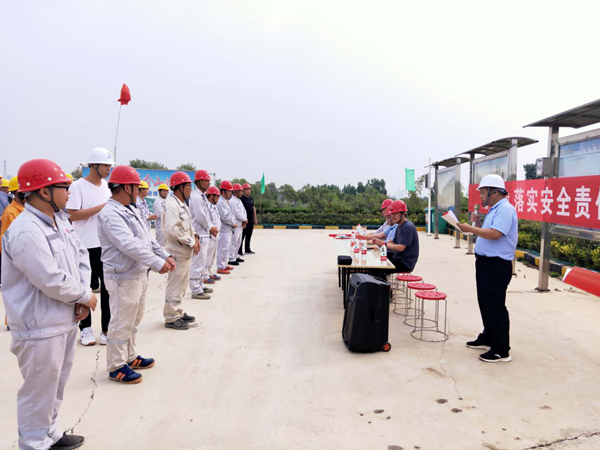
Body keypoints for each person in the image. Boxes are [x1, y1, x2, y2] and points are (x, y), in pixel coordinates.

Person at [2, 159, 97, 450]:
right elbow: (49, 278)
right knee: (38, 391)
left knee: (55, 386)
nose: (69, 191)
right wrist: (84, 297)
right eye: (64, 186)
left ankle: (50, 434)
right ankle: (33, 443)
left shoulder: (61, 222)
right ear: (44, 192)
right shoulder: (26, 230)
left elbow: (81, 257)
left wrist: (82, 295)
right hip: (39, 326)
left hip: (63, 318)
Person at [98, 166, 174, 383]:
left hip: (138, 273)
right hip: (122, 276)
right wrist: (157, 263)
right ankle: (116, 366)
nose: (140, 190)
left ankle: (130, 357)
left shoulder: (130, 209)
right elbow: (128, 244)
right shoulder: (110, 213)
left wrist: (165, 255)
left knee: (134, 319)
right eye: (136, 186)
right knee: (121, 321)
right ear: (126, 188)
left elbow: (147, 240)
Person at [457, 174, 517, 363]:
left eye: (483, 193)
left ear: (494, 192)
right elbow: (488, 231)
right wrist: (478, 224)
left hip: (496, 265)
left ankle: (501, 349)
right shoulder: (495, 209)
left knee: (495, 305)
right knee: (485, 301)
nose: (481, 196)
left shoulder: (505, 209)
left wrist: (470, 228)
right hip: (485, 263)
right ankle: (489, 336)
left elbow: (495, 234)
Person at [66, 147, 113, 347]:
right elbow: (71, 214)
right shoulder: (78, 187)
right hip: (84, 245)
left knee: (108, 289)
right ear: (93, 165)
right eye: (105, 165)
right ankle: (85, 328)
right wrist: (100, 208)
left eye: (110, 166)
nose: (108, 169)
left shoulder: (107, 187)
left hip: (105, 245)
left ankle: (106, 329)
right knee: (84, 288)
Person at [162, 171, 200, 330]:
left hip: (184, 252)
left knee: (181, 285)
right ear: (180, 188)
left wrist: (195, 237)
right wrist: (192, 242)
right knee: (175, 285)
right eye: (188, 186)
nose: (190, 189)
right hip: (177, 252)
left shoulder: (181, 204)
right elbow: (173, 230)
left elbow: (188, 226)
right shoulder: (172, 205)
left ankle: (177, 311)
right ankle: (171, 317)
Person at [1, 176, 26, 330]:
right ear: (17, 193)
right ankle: (11, 320)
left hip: (24, 255)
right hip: (15, 257)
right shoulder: (11, 213)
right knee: (15, 291)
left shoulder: (23, 210)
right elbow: (5, 239)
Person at [188, 170, 217, 300]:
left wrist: (210, 228)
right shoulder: (195, 197)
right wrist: (210, 227)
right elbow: (200, 216)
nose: (209, 183)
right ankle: (195, 289)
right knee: (198, 263)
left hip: (204, 233)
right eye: (206, 180)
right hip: (199, 234)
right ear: (199, 181)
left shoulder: (202, 197)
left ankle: (199, 285)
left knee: (202, 262)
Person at [373, 200, 419, 273]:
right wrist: (379, 243)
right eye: (392, 214)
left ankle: (382, 280)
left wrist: (383, 244)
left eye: (395, 214)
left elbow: (400, 248)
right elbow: (392, 242)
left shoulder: (408, 227)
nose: (393, 217)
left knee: (378, 268)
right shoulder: (398, 226)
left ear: (403, 213)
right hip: (397, 258)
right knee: (376, 262)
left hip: (405, 263)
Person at [216, 180, 237, 275]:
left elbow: (231, 214)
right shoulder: (220, 203)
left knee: (227, 248)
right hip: (224, 230)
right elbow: (225, 217)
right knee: (223, 249)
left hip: (228, 229)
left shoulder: (226, 202)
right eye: (229, 191)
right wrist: (233, 223)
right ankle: (220, 267)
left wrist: (234, 222)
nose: (231, 193)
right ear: (223, 191)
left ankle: (224, 265)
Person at [203, 186, 222, 283]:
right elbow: (207, 221)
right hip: (210, 235)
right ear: (211, 196)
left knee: (212, 257)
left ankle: (210, 272)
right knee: (207, 257)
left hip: (215, 236)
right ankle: (204, 275)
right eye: (217, 196)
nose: (218, 198)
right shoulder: (207, 207)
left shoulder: (214, 206)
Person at [229, 183, 247, 265]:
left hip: (241, 224)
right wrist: (244, 219)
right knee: (234, 242)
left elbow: (243, 211)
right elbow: (236, 213)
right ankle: (231, 258)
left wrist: (245, 220)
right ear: (236, 191)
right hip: (235, 225)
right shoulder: (232, 201)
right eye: (240, 191)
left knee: (238, 242)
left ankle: (236, 256)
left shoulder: (239, 201)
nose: (241, 192)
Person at [240, 183, 257, 255]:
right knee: (242, 235)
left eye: (249, 189)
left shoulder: (251, 199)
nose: (248, 191)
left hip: (251, 220)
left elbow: (253, 208)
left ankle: (247, 248)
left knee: (249, 234)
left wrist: (255, 218)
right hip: (244, 220)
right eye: (246, 189)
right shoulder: (241, 199)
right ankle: (239, 250)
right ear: (243, 190)